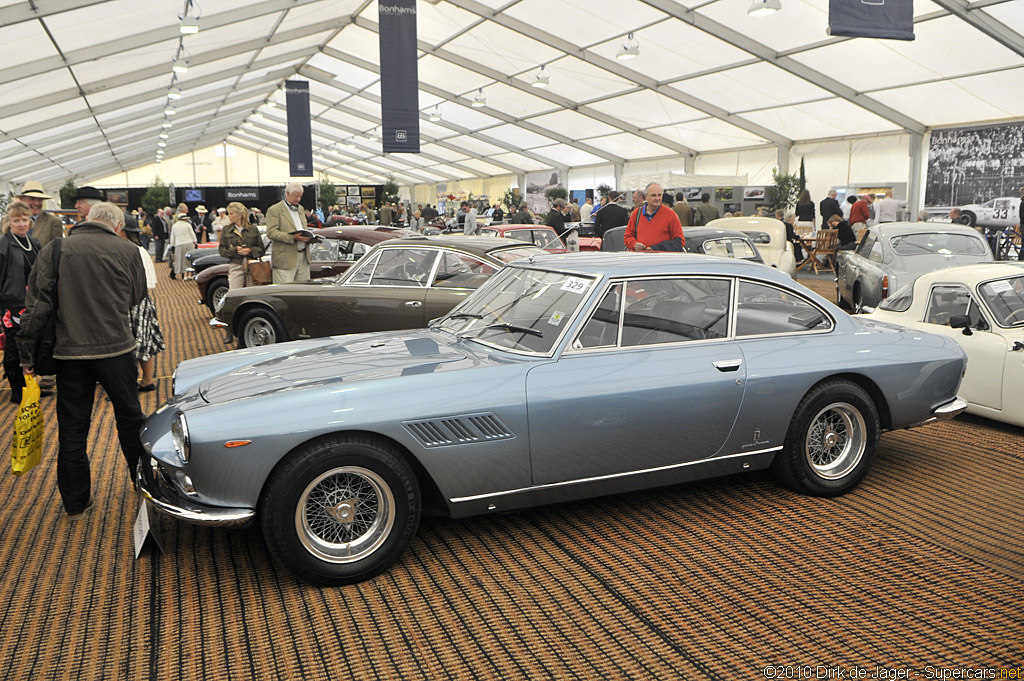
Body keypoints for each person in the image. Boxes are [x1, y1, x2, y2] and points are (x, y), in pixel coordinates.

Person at [17, 201, 147, 519]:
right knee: (130, 421)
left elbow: (37, 305)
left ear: (86, 219)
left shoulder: (55, 249)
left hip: (69, 353)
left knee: (73, 428)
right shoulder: (128, 251)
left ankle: (76, 502)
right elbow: (137, 296)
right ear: (117, 226)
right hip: (117, 349)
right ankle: (143, 483)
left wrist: (26, 353)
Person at [108, 207, 164, 392]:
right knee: (144, 343)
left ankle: (130, 384)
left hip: (130, 302)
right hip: (141, 302)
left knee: (130, 346)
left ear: (120, 230)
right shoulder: (139, 250)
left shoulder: (130, 251)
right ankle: (146, 380)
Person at [0, 201, 43, 403]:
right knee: (13, 346)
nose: (21, 224)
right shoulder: (3, 244)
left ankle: (31, 385)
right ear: (8, 222)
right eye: (16, 220)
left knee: (33, 344)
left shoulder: (35, 243)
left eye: (24, 219)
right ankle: (17, 388)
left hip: (34, 301)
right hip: (11, 302)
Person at [267, 183, 313, 284]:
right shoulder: (274, 210)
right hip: (285, 259)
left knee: (304, 291)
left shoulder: (301, 209)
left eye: (300, 196)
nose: (299, 199)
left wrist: (309, 238)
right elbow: (271, 232)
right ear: (287, 193)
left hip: (303, 257)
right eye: (296, 196)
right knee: (285, 291)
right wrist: (292, 237)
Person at [219, 201, 265, 291]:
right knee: (234, 294)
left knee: (253, 295)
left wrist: (250, 250)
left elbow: (261, 249)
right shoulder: (226, 230)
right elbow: (221, 251)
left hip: (253, 267)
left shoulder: (253, 229)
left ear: (239, 215)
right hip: (235, 266)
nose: (229, 216)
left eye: (231, 214)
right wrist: (235, 250)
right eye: (229, 213)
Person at [624, 183, 684, 252]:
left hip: (662, 260)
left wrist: (656, 248)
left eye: (659, 195)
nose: (657, 198)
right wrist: (634, 244)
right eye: (653, 195)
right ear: (646, 196)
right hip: (640, 259)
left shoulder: (671, 215)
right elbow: (627, 237)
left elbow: (680, 241)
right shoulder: (636, 214)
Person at [17, 181, 64, 249]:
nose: (36, 203)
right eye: (32, 199)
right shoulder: (9, 221)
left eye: (40, 200)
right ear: (22, 200)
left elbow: (57, 250)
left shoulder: (53, 222)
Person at [169, 206, 197, 280]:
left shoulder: (174, 226)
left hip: (179, 244)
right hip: (189, 243)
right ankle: (189, 275)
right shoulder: (188, 225)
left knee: (181, 260)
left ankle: (184, 276)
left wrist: (172, 245)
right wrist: (195, 242)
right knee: (189, 260)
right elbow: (192, 234)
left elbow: (172, 236)